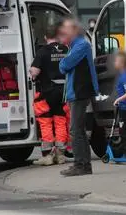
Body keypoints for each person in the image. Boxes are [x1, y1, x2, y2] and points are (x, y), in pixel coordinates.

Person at [58, 17, 99, 177]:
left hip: (79, 92)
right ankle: (83, 164)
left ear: (74, 31)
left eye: (66, 30)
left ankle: (80, 165)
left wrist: (63, 62)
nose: (63, 33)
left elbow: (65, 65)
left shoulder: (81, 45)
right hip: (77, 92)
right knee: (79, 130)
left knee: (76, 130)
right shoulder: (76, 45)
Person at [30, 25, 69, 166]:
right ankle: (60, 154)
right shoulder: (66, 49)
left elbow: (34, 71)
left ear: (46, 37)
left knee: (46, 122)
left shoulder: (42, 51)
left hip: (46, 92)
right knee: (60, 121)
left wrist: (32, 72)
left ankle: (47, 155)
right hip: (63, 92)